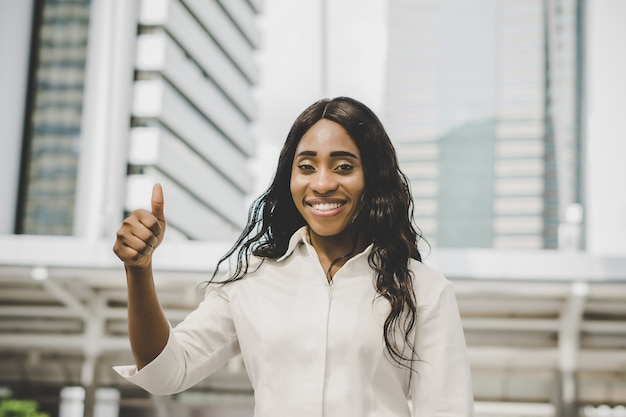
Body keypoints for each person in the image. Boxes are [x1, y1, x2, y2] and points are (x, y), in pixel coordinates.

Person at [113, 96, 474, 416]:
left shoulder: (425, 290)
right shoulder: (252, 280)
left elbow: (446, 409)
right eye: (306, 167)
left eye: (343, 166)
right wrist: (139, 270)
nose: (321, 183)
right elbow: (165, 372)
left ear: (373, 177)